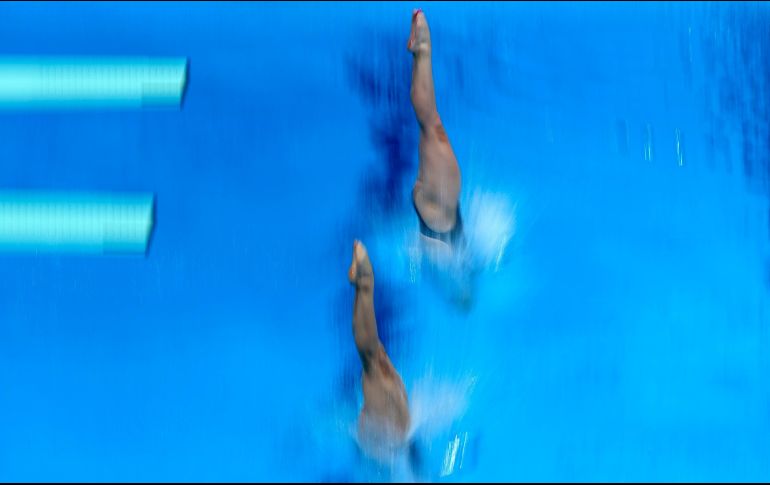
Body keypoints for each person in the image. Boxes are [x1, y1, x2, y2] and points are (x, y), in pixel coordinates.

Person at [408, 8, 465, 266]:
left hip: (439, 220)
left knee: (432, 126)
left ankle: (423, 52)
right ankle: (422, 52)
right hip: (439, 224)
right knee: (432, 126)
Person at [348, 240, 411, 463]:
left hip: (391, 424)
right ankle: (364, 282)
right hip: (393, 425)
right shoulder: (392, 429)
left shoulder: (386, 418)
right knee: (371, 353)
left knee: (369, 352)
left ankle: (365, 281)